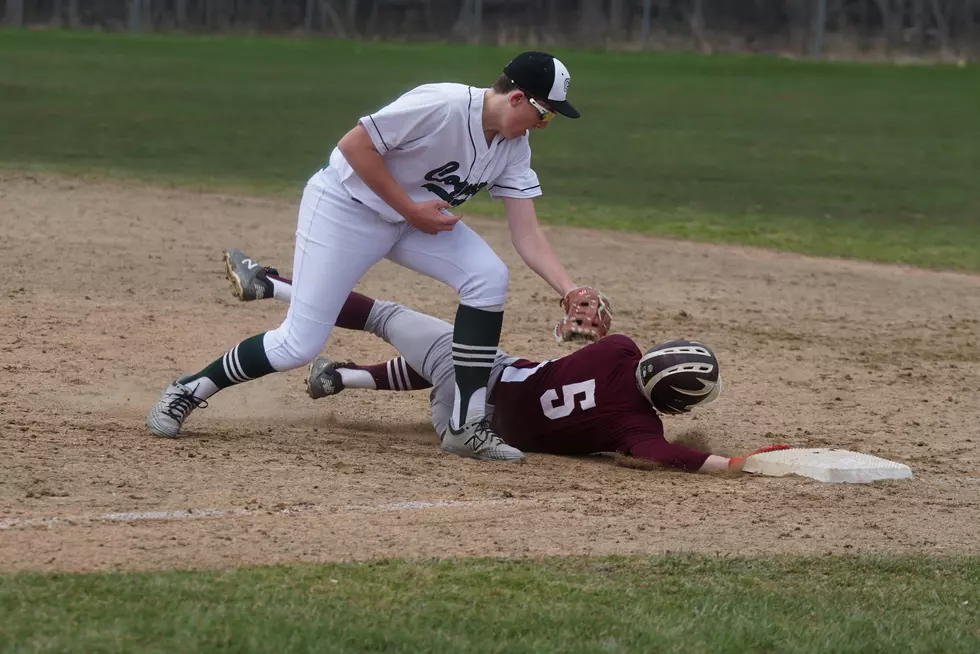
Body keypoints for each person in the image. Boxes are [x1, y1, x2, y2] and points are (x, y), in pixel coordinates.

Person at [147, 51, 611, 462]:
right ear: (517, 99)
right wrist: (409, 209)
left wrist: (568, 289)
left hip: (415, 219)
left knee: (488, 277)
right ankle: (188, 389)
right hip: (346, 209)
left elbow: (525, 231)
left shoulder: (513, 145)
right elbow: (355, 145)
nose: (542, 126)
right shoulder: (443, 105)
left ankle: (466, 427)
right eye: (544, 115)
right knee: (299, 343)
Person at [220, 250, 789, 471]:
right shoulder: (637, 427)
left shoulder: (620, 350)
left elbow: (595, 339)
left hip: (477, 388)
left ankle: (272, 286)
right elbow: (666, 455)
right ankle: (342, 375)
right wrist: (735, 463)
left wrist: (583, 321)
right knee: (452, 352)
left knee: (392, 318)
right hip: (478, 411)